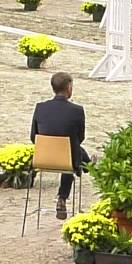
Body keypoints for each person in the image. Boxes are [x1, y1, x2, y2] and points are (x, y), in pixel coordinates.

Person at [30, 71, 91, 220]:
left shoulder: (40, 107)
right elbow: (80, 137)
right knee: (74, 150)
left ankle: (89, 164)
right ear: (69, 87)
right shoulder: (77, 110)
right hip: (67, 160)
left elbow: (33, 137)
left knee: (72, 149)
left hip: (43, 158)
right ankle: (63, 196)